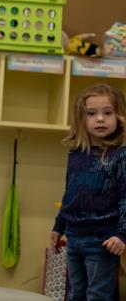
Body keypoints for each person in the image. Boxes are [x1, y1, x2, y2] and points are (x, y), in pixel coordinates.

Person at [51, 83, 126, 301]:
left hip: (102, 240)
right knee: (75, 294)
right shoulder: (76, 153)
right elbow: (70, 193)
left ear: (119, 116)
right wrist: (58, 226)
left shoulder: (120, 155)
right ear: (80, 119)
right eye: (92, 114)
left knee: (97, 295)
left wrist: (122, 235)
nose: (100, 119)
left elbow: (125, 198)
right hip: (74, 237)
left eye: (108, 113)